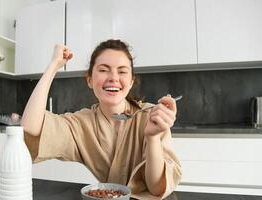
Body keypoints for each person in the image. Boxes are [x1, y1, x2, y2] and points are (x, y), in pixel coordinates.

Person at [21, 39, 182, 199]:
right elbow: (30, 126)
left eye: (122, 71)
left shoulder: (151, 117)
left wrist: (152, 137)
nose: (113, 77)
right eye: (104, 70)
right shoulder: (81, 124)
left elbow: (156, 188)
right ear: (89, 80)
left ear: (131, 81)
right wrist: (54, 65)